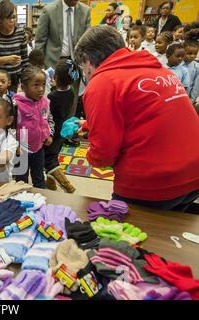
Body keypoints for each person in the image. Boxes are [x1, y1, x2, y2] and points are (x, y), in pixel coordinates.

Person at [73, 25, 199, 212]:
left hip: (153, 181)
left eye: (83, 67)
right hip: (193, 172)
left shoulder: (102, 81)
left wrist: (91, 150)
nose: (85, 73)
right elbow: (144, 116)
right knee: (165, 235)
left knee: (125, 235)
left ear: (88, 61)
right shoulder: (159, 70)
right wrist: (91, 125)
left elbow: (104, 155)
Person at [35, 0, 91, 119]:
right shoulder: (49, 10)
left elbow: (88, 41)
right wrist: (39, 67)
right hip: (53, 64)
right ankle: (50, 131)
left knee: (72, 99)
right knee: (51, 99)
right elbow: (40, 41)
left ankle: (68, 132)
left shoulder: (85, 11)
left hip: (75, 64)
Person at [13, 66, 54, 189]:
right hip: (21, 149)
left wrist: (49, 134)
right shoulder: (16, 104)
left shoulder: (45, 101)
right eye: (35, 85)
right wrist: (15, 145)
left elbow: (49, 119)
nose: (41, 89)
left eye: (43, 84)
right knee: (20, 182)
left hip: (39, 147)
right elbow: (9, 127)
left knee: (39, 179)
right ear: (24, 87)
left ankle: (41, 202)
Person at [44, 59, 78, 193]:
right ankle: (50, 183)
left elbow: (48, 111)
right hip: (63, 129)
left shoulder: (52, 96)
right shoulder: (70, 92)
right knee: (54, 153)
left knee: (49, 158)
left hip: (52, 130)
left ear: (56, 77)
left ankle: (66, 184)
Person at [0, 0, 29, 93]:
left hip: (14, 79)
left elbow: (24, 59)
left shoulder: (20, 32)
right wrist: (7, 59)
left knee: (11, 104)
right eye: (8, 18)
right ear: (0, 19)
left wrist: (26, 79)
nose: (12, 21)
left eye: (14, 17)